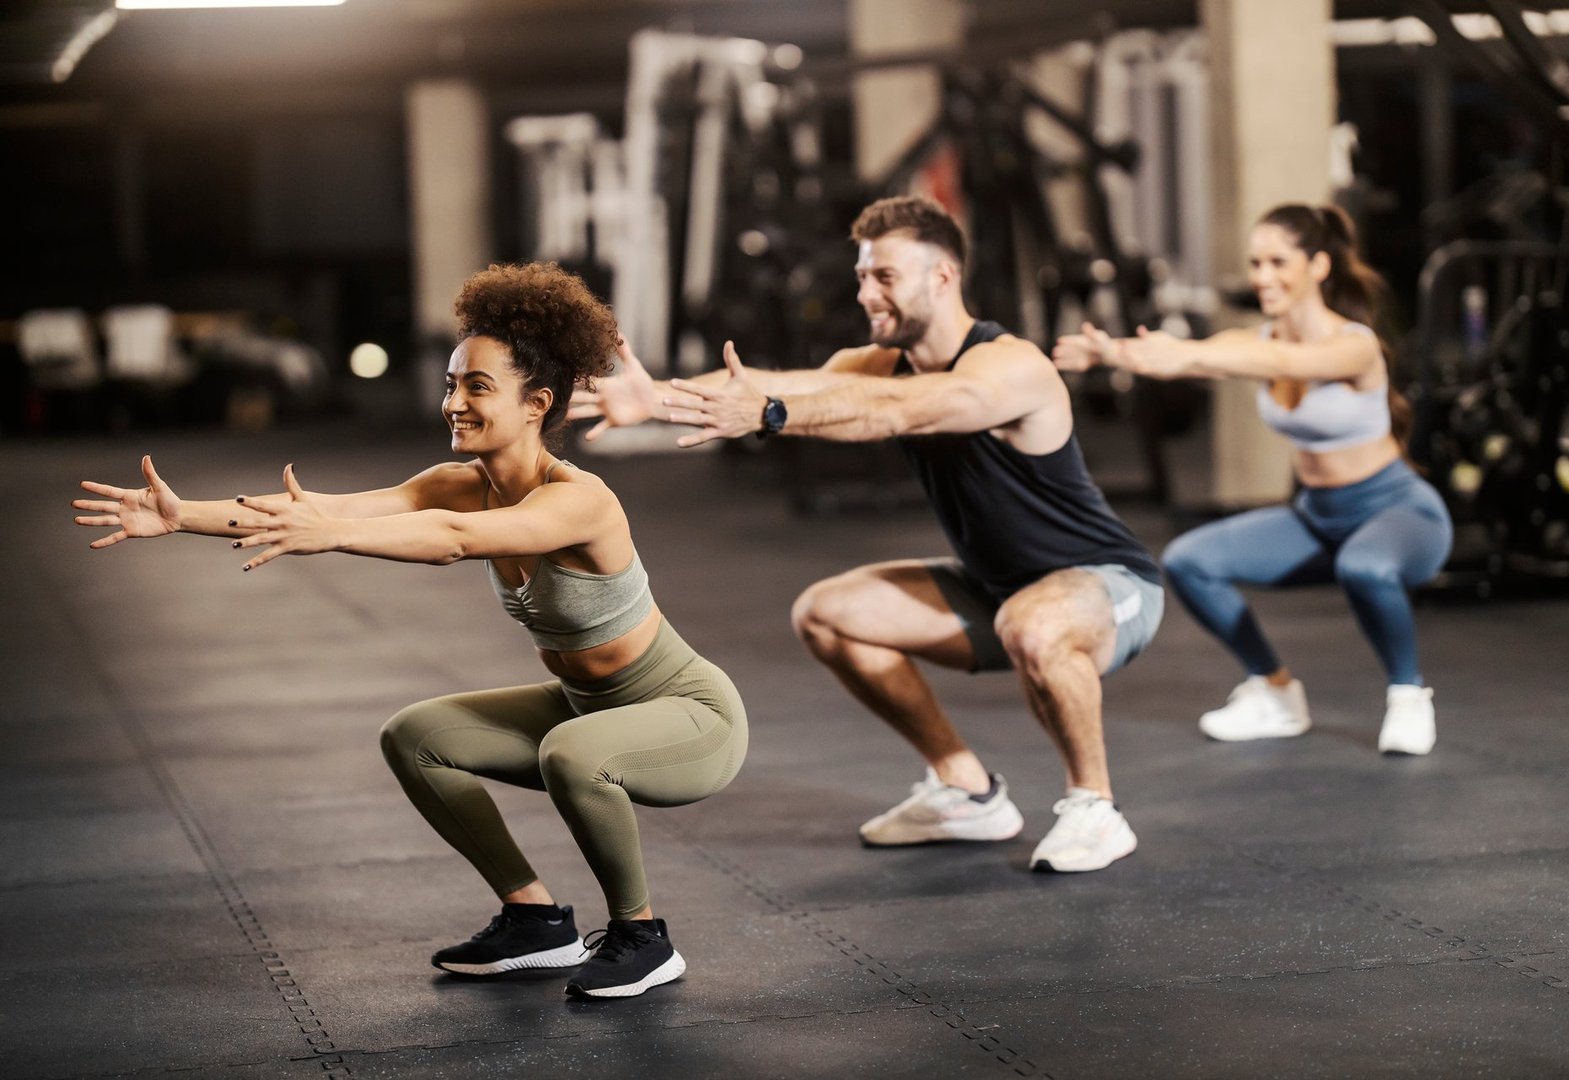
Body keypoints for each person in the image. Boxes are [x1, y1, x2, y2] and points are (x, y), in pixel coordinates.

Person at [72, 262, 747, 999]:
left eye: (477, 387)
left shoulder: (581, 501)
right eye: (452, 383)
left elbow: (455, 537)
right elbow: (337, 505)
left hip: (690, 718)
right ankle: (535, 920)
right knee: (416, 736)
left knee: (571, 754)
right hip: (587, 709)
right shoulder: (456, 480)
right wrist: (182, 516)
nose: (453, 401)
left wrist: (330, 538)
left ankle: (643, 938)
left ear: (537, 404)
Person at [573, 195, 1162, 873]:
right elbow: (786, 381)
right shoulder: (882, 362)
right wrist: (655, 399)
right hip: (994, 593)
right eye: (862, 276)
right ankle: (966, 790)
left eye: (884, 276)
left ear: (942, 277)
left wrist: (768, 414)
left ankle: (1095, 806)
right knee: (828, 613)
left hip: (1108, 588)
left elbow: (899, 412)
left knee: (1034, 625)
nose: (864, 293)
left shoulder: (1010, 366)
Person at [1052, 203, 1452, 755]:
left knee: (1364, 566)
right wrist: (1114, 351)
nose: (1262, 276)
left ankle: (1408, 695)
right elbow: (1211, 357)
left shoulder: (1353, 345)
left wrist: (1191, 355)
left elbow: (1278, 363)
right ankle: (1276, 691)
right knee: (1192, 561)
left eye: (1277, 262)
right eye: (1255, 263)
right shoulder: (1259, 339)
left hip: (1400, 516)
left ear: (1318, 266)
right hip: (1318, 518)